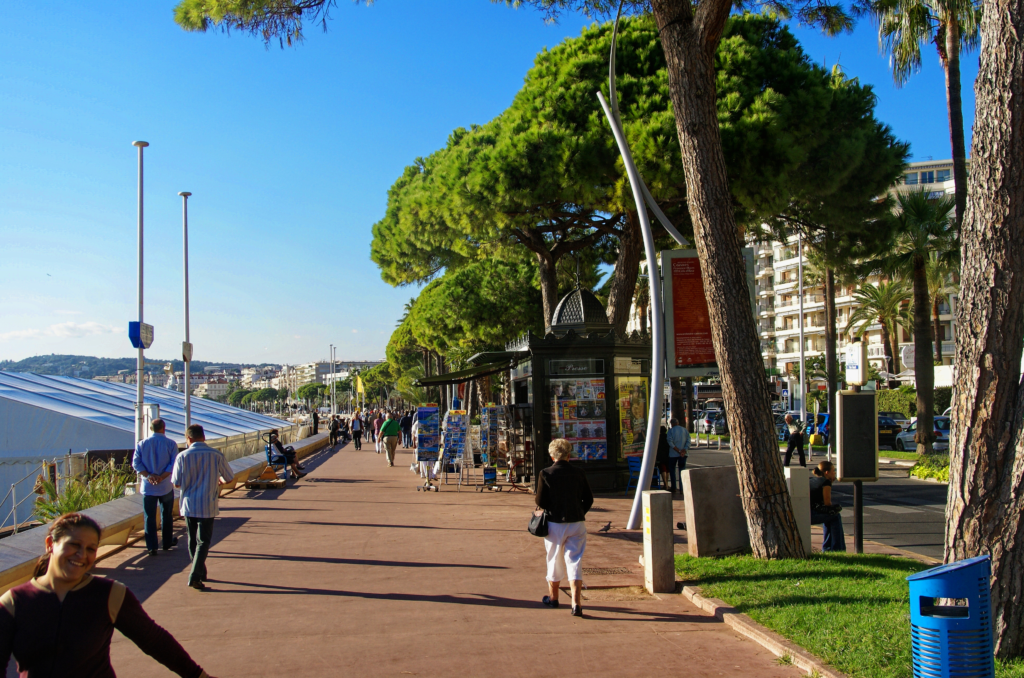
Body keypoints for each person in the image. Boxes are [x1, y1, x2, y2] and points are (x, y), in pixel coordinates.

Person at [0, 512, 214, 677]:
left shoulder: (110, 594)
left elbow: (154, 641)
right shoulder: (14, 602)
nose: (82, 555)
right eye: (74, 545)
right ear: (50, 545)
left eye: (91, 549)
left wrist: (198, 675)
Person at [172, 424, 235, 591]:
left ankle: (199, 571)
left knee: (193, 540)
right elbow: (229, 477)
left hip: (188, 504)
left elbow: (176, 483)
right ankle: (195, 574)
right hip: (207, 503)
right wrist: (217, 480)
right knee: (204, 541)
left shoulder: (182, 457)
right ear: (204, 437)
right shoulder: (216, 455)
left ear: (189, 439)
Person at [535, 438, 594, 617]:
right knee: (574, 560)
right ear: (569, 455)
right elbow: (589, 499)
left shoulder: (545, 473)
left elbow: (540, 501)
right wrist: (579, 512)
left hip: (554, 524)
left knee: (553, 559)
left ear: (552, 456)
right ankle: (576, 603)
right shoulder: (579, 472)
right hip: (577, 522)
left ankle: (553, 598)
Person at [132, 418, 180, 557]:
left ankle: (152, 546)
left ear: (151, 428)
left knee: (149, 517)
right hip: (165, 485)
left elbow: (136, 463)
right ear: (164, 428)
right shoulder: (171, 444)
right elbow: (174, 463)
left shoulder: (142, 444)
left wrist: (149, 476)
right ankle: (166, 542)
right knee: (166, 515)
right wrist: (161, 477)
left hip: (148, 487)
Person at [809, 461, 846, 552]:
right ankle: (838, 548)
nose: (835, 473)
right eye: (833, 471)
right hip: (812, 514)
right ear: (827, 472)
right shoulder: (826, 483)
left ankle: (828, 547)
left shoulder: (812, 480)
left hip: (807, 511)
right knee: (835, 516)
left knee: (829, 517)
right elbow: (827, 502)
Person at [665, 417, 690, 494]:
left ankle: (674, 487)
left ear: (671, 424)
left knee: (672, 470)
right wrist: (684, 450)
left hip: (673, 454)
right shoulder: (684, 430)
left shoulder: (670, 431)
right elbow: (688, 441)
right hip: (683, 454)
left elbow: (670, 442)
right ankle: (682, 488)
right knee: (682, 471)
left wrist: (678, 450)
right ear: (678, 423)